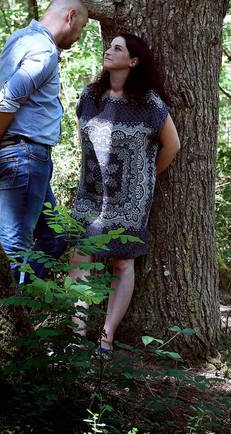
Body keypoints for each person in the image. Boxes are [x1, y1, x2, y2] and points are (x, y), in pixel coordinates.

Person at [69, 33, 181, 356]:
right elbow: (84, 141)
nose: (109, 50)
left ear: (133, 61)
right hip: (91, 194)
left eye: (118, 48)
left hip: (131, 199)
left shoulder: (149, 103)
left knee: (122, 263)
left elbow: (172, 146)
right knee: (80, 258)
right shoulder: (90, 96)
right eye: (110, 46)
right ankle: (76, 335)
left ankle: (106, 337)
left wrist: (145, 178)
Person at [0, 0, 88, 284]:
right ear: (70, 17)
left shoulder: (23, 38)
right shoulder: (45, 53)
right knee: (14, 244)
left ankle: (25, 303)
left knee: (53, 238)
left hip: (23, 156)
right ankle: (6, 320)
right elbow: (6, 100)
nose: (78, 38)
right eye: (81, 28)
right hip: (24, 156)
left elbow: (57, 12)